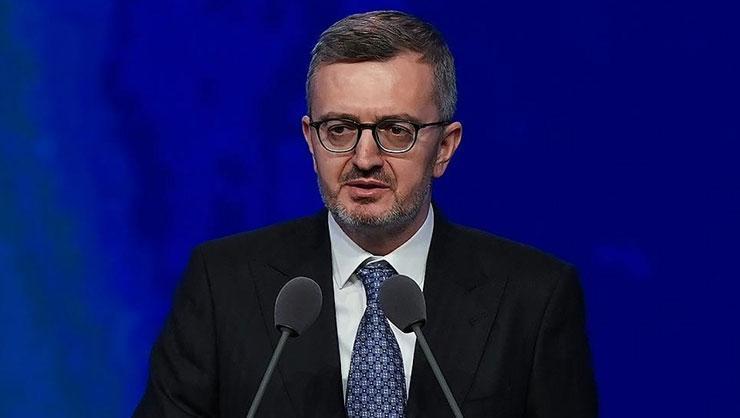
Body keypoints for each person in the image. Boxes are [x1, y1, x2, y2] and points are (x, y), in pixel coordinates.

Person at [134, 10, 597, 418]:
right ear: (310, 140)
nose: (365, 158)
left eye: (396, 130)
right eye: (340, 129)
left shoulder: (533, 298)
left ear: (444, 147)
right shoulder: (222, 283)